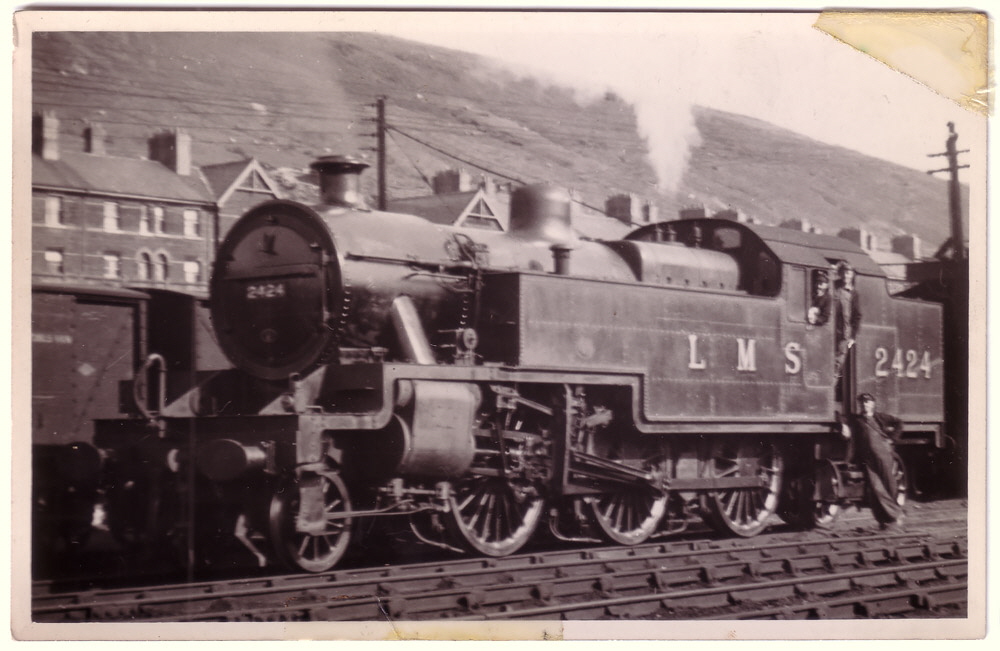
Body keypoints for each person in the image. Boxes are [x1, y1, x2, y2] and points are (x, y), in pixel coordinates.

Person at [850, 393, 905, 531]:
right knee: (875, 488)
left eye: (867, 402)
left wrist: (892, 439)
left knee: (888, 484)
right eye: (862, 402)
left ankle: (894, 518)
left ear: (873, 403)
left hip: (883, 455)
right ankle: (884, 519)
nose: (864, 404)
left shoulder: (880, 417)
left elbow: (899, 422)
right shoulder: (857, 420)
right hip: (868, 458)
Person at [833, 261, 861, 378]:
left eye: (848, 273)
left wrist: (853, 337)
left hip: (844, 333)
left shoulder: (854, 294)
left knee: (837, 364)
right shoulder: (833, 287)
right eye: (844, 272)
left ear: (852, 275)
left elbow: (857, 316)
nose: (846, 275)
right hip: (832, 330)